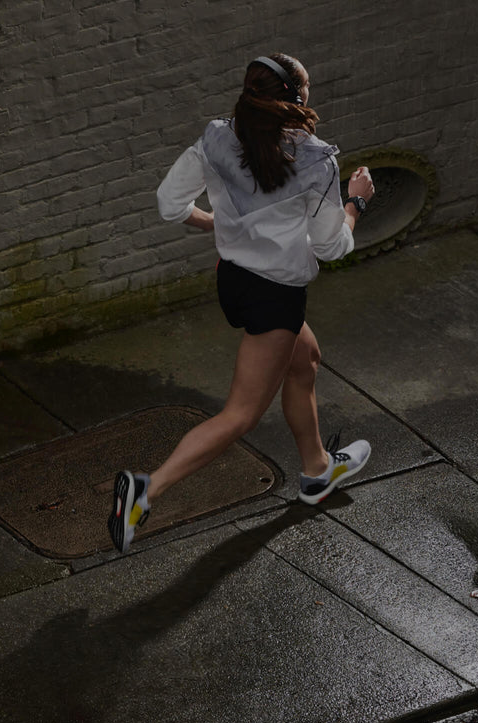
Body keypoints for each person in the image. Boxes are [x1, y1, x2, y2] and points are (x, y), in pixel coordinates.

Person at [108, 53, 376, 553]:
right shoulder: (316, 161)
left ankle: (318, 470)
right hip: (274, 297)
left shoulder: (217, 138)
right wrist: (355, 203)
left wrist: (216, 224)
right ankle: (147, 490)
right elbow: (331, 247)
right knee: (241, 415)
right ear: (296, 99)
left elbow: (170, 205)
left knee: (306, 361)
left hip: (234, 281)